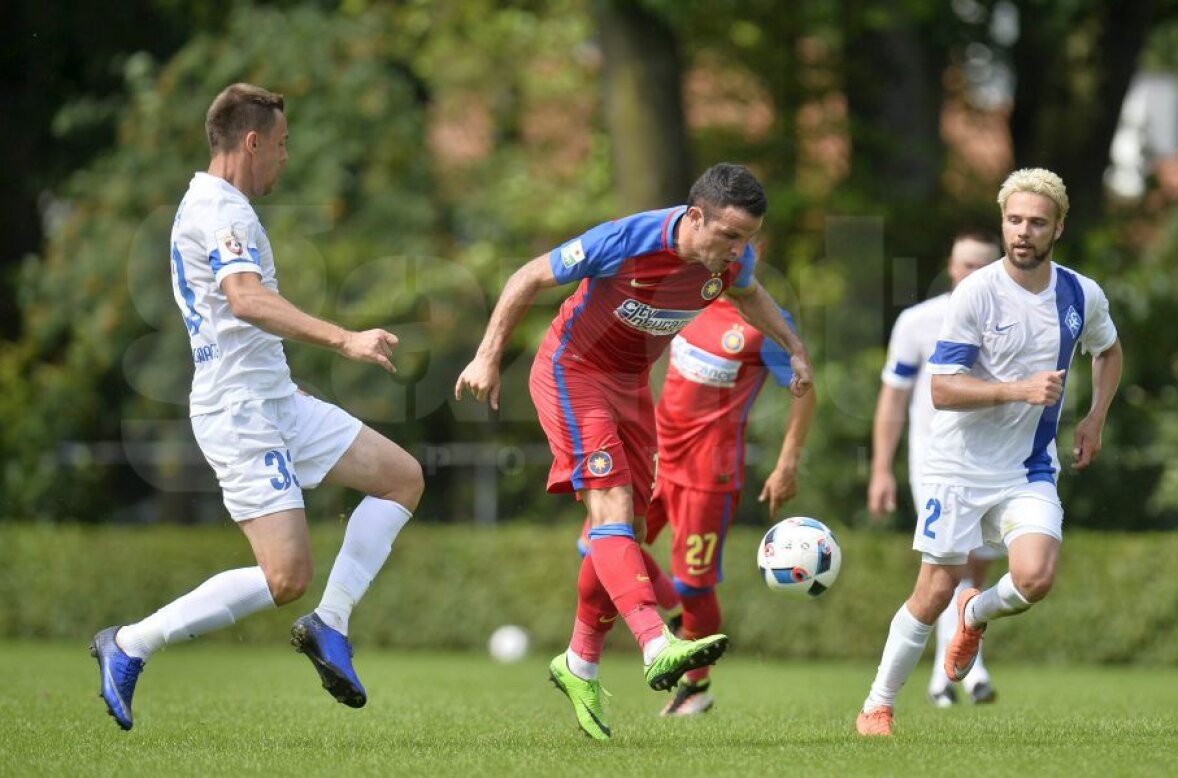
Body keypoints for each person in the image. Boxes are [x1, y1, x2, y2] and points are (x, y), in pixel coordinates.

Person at [90, 83, 425, 731]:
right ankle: (129, 643)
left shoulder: (216, 205)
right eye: (281, 145)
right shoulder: (222, 211)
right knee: (284, 577)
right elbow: (244, 300)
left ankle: (330, 626)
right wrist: (345, 337)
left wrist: (288, 383)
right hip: (240, 414)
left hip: (276, 400)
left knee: (402, 477)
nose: (285, 157)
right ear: (252, 142)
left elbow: (237, 321)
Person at [456, 163, 814, 740]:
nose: (738, 251)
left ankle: (578, 664)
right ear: (694, 217)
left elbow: (752, 297)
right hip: (571, 372)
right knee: (612, 507)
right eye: (728, 236)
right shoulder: (625, 239)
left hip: (629, 386)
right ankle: (656, 643)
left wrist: (793, 347)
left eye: (746, 239)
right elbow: (526, 277)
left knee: (623, 537)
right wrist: (487, 356)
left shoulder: (732, 261)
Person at [855, 168, 1123, 737]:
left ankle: (974, 614)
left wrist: (1095, 417)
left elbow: (1108, 349)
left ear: (1059, 229)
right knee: (931, 592)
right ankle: (878, 704)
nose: (1023, 232)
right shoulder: (975, 293)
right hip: (956, 468)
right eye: (1014, 220)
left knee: (1036, 577)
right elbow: (942, 388)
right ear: (1004, 222)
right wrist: (1017, 389)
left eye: (1037, 223)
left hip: (1028, 467)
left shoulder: (1080, 293)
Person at [649, 296, 817, 716]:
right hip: (653, 457)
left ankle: (696, 688)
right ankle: (678, 624)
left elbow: (805, 391)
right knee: (599, 546)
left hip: (709, 476)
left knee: (694, 585)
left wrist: (786, 466)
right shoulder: (686, 294)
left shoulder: (766, 321)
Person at [867, 229, 1004, 707]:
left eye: (981, 266)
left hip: (996, 463)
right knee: (951, 565)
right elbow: (893, 397)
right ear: (950, 266)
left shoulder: (1012, 320)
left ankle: (943, 675)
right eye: (964, 264)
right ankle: (970, 673)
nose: (971, 274)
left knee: (975, 572)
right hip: (936, 462)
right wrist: (881, 467)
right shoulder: (918, 322)